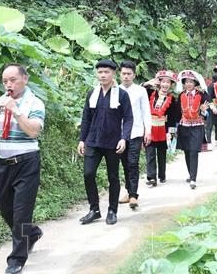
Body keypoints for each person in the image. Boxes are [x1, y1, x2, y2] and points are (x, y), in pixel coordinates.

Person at [0, 64, 45, 274]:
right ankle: (31, 233)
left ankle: (17, 259)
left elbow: (34, 132)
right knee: (3, 205)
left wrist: (15, 111)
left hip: (27, 162)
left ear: (25, 79)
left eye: (13, 80)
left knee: (21, 212)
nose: (9, 85)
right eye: (5, 81)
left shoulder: (35, 103)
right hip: (4, 163)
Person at [77, 59, 133, 226]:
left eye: (106, 72)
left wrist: (124, 138)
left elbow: (129, 118)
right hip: (93, 141)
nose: (102, 75)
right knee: (88, 174)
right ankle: (94, 209)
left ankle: (112, 210)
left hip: (113, 142)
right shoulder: (92, 93)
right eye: (100, 72)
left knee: (113, 177)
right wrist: (82, 139)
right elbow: (86, 118)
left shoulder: (121, 94)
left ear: (113, 73)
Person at [117, 60, 152, 209]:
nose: (126, 76)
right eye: (123, 73)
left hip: (136, 132)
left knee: (133, 163)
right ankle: (128, 191)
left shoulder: (140, 91)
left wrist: (147, 131)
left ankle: (133, 195)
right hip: (118, 134)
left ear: (134, 75)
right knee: (124, 163)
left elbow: (146, 112)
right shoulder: (114, 90)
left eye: (129, 74)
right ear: (120, 74)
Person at [143, 70, 181, 187]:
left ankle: (162, 175)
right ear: (159, 83)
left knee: (161, 153)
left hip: (163, 129)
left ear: (171, 85)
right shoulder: (149, 93)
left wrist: (171, 132)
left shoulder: (172, 99)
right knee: (150, 152)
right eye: (163, 82)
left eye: (168, 82)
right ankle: (151, 177)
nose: (165, 84)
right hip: (150, 128)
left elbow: (174, 118)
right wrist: (149, 83)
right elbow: (141, 89)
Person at [176, 70, 209, 189]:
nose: (189, 84)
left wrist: (205, 110)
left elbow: (206, 110)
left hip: (197, 126)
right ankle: (190, 174)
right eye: (186, 82)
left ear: (195, 83)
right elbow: (178, 112)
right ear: (184, 84)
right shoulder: (181, 95)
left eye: (191, 82)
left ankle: (193, 179)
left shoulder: (202, 95)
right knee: (187, 151)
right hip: (184, 126)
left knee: (194, 151)